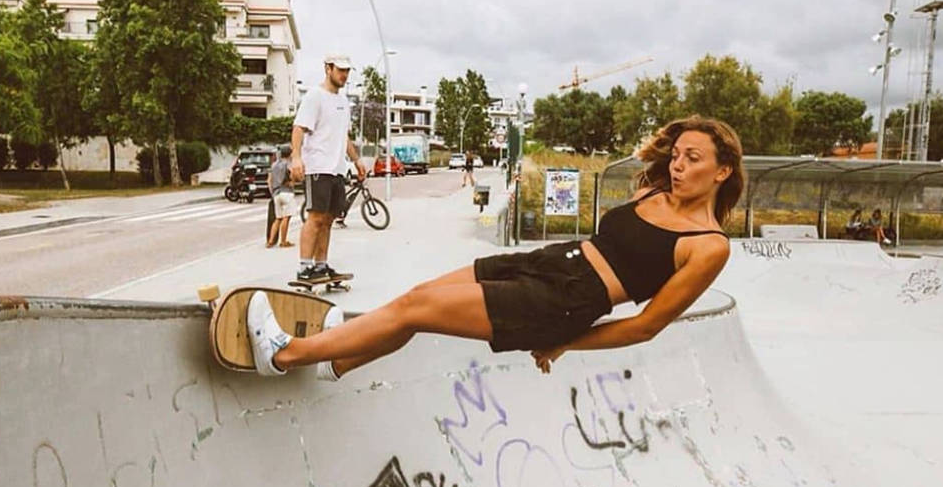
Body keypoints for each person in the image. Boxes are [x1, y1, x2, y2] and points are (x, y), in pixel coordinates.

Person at [247, 115, 744, 379]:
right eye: (677, 154)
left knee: (415, 310)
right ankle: (340, 358)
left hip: (567, 300)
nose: (678, 165)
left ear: (722, 171)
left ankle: (287, 355)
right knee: (418, 298)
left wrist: (567, 341)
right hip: (550, 260)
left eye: (693, 158)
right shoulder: (653, 190)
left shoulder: (707, 247)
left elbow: (645, 326)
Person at [290, 54, 367, 282]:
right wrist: (296, 157)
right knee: (315, 217)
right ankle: (304, 268)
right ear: (328, 68)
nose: (344, 75)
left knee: (329, 219)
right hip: (318, 167)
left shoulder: (343, 102)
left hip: (337, 169)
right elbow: (299, 128)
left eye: (347, 71)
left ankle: (321, 266)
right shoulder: (315, 96)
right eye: (340, 70)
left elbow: (344, 136)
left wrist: (357, 160)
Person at [266, 145, 297, 248]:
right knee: (286, 217)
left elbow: (269, 181)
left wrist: (272, 192)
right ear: (289, 154)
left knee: (278, 218)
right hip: (287, 192)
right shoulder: (288, 164)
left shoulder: (274, 165)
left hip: (276, 193)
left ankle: (270, 241)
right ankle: (283, 241)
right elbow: (293, 175)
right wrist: (293, 181)